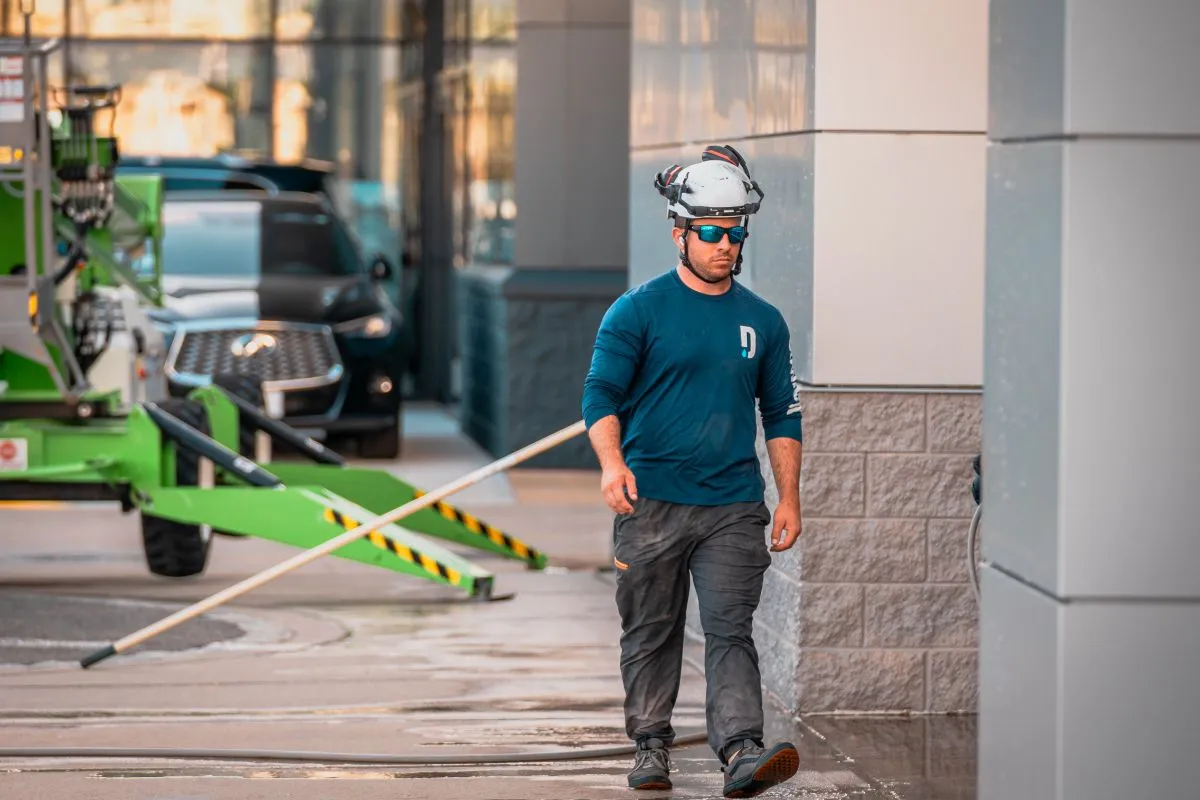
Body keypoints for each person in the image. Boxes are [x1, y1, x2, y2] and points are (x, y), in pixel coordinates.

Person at [581, 144, 804, 798]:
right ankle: (651, 744)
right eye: (710, 232)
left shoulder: (764, 322)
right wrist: (611, 463)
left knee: (731, 630)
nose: (725, 245)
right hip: (649, 503)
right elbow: (600, 396)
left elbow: (782, 413)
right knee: (652, 630)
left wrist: (788, 497)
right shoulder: (637, 312)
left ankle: (741, 750)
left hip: (733, 504)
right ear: (679, 232)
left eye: (735, 233)